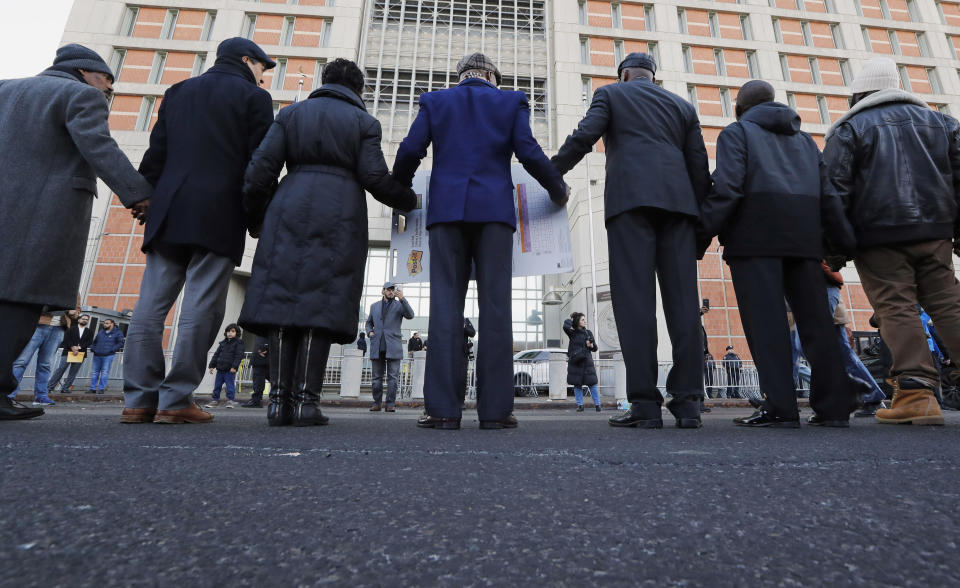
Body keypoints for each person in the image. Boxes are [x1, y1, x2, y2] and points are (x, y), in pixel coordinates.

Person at [393, 52, 568, 430]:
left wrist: (400, 191)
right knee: (496, 309)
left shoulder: (435, 100)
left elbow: (410, 150)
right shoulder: (510, 100)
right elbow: (528, 150)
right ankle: (496, 411)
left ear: (460, 77)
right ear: (492, 76)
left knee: (444, 308)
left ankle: (441, 410)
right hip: (493, 215)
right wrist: (557, 188)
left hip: (446, 214)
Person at [239, 58, 416, 427]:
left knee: (281, 300)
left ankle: (278, 403)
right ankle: (306, 403)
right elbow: (374, 175)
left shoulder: (291, 115)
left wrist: (258, 218)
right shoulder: (364, 122)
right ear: (359, 89)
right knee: (319, 303)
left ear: (325, 81)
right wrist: (411, 200)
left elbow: (260, 171)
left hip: (289, 206)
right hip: (341, 213)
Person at [122, 37, 276, 425]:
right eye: (262, 66)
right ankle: (175, 399)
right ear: (246, 61)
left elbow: (156, 152)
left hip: (168, 209)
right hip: (219, 212)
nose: (263, 75)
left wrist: (144, 199)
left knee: (149, 309)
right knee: (200, 308)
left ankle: (138, 399)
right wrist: (258, 216)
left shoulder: (179, 91)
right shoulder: (254, 99)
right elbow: (260, 166)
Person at [552, 52, 710, 430]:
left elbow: (584, 137)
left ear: (623, 74)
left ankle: (645, 404)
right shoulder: (683, 106)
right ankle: (688, 403)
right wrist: (701, 226)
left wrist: (550, 173)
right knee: (684, 307)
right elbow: (700, 168)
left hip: (630, 205)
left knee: (635, 304)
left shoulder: (611, 95)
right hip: (679, 208)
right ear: (653, 75)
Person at [0, 44, 152, 420]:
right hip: (41, 215)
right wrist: (140, 195)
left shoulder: (4, 88)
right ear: (85, 72)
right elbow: (99, 147)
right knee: (22, 298)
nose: (108, 91)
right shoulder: (80, 95)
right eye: (107, 82)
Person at [696, 79, 857, 428]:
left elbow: (728, 188)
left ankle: (781, 408)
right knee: (817, 325)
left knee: (766, 325)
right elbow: (827, 193)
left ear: (739, 108)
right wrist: (844, 240)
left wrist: (700, 236)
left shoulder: (736, 133)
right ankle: (834, 409)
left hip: (754, 241)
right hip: (804, 241)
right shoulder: (803, 140)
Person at [824, 57, 960, 427]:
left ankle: (916, 395)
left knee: (896, 307)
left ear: (861, 93)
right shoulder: (943, 124)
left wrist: (833, 251)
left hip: (878, 238)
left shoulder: (850, 129)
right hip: (935, 233)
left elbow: (834, 193)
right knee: (950, 305)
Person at [822, 261, 886, 417]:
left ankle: (871, 396)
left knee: (840, 354)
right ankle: (871, 396)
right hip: (826, 291)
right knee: (842, 354)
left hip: (823, 291)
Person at [366, 283, 415, 412]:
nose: (391, 292)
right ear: (383, 291)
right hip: (378, 345)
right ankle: (376, 403)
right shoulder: (374, 306)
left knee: (393, 377)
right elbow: (368, 323)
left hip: (393, 345)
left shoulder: (399, 305)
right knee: (376, 378)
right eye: (388, 289)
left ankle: (390, 404)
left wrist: (402, 299)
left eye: (393, 290)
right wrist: (369, 332)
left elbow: (410, 315)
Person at [563, 312, 601, 412]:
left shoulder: (588, 332)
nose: (585, 321)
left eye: (584, 319)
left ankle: (598, 405)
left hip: (587, 362)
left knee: (592, 384)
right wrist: (571, 319)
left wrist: (591, 345)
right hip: (576, 362)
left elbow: (595, 348)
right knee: (577, 385)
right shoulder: (572, 333)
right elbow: (565, 326)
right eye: (582, 320)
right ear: (577, 321)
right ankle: (580, 405)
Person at [49, 313, 94, 394]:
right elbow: (67, 339)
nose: (85, 320)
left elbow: (89, 342)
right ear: (79, 320)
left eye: (86, 319)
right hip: (68, 352)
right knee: (61, 369)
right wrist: (73, 347)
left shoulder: (89, 331)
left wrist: (79, 348)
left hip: (80, 353)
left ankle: (65, 388)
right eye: (83, 318)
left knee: (73, 372)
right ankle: (50, 387)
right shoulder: (71, 329)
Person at [204, 324, 244, 409]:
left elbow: (238, 356)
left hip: (230, 370)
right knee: (217, 386)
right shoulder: (223, 343)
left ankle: (230, 400)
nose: (230, 333)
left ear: (237, 333)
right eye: (228, 331)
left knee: (230, 386)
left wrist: (234, 367)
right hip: (220, 369)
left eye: (232, 331)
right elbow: (216, 355)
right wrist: (212, 366)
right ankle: (215, 400)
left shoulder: (238, 343)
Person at [89, 319, 125, 394]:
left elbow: (121, 343)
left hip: (108, 356)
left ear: (112, 324)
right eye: (104, 323)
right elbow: (95, 342)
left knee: (105, 372)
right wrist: (93, 349)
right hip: (97, 355)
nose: (105, 324)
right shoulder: (101, 332)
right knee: (95, 372)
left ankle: (101, 388)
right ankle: (92, 389)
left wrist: (112, 350)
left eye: (107, 323)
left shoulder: (118, 332)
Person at [242, 339, 270, 408]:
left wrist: (263, 348)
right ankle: (256, 400)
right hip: (260, 357)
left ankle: (256, 400)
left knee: (259, 381)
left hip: (262, 357)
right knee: (259, 381)